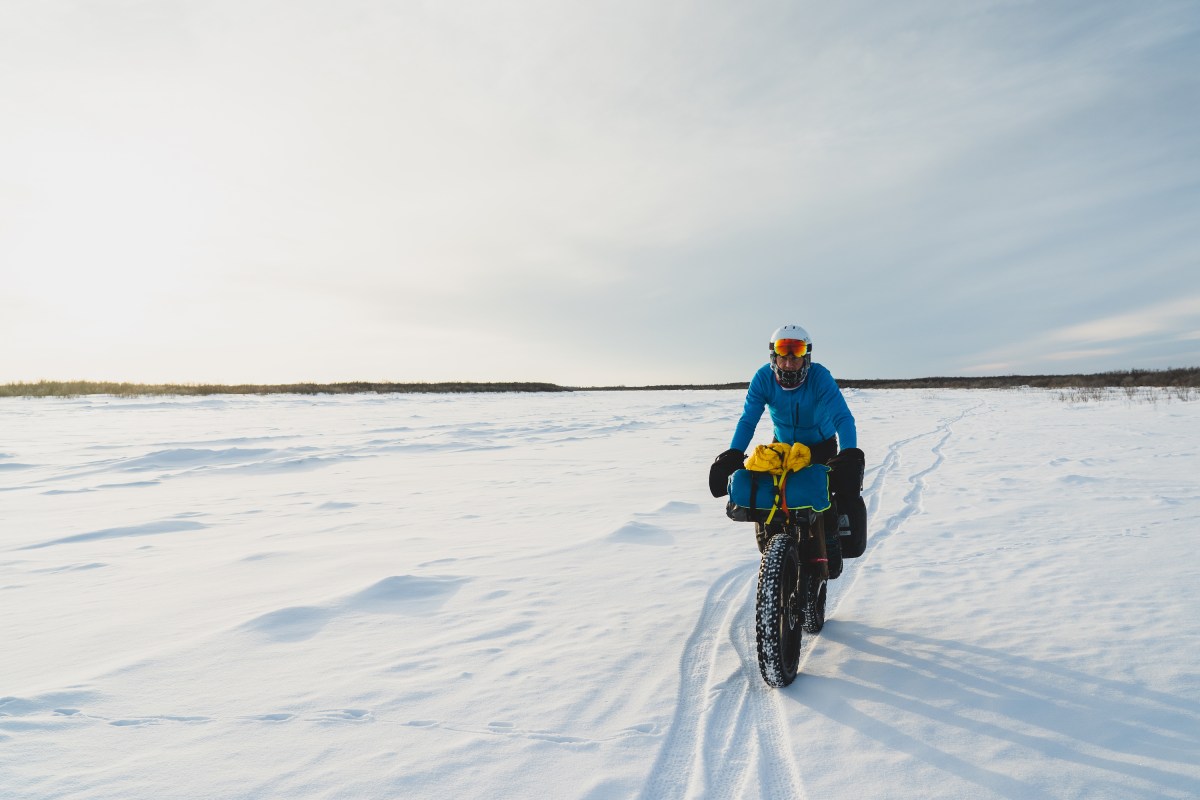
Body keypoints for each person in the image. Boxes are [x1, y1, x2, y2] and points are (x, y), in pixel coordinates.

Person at [709, 324, 864, 505]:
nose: (789, 364)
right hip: (782, 447)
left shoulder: (819, 377)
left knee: (827, 499)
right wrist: (734, 453)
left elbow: (842, 418)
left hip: (820, 446)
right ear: (774, 357)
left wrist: (848, 454)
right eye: (783, 356)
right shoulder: (762, 378)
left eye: (796, 356)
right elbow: (748, 421)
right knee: (769, 497)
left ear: (806, 358)